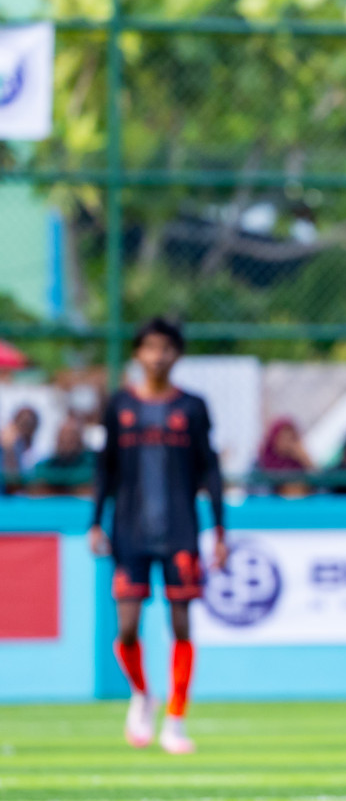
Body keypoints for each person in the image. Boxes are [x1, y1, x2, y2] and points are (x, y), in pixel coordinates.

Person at [89, 317, 227, 755]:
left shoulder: (192, 408)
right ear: (137, 354)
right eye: (149, 348)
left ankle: (177, 718)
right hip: (129, 532)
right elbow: (104, 468)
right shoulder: (119, 406)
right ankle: (142, 695)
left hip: (181, 532)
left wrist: (220, 529)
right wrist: (94, 521)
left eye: (165, 348)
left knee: (181, 623)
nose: (157, 356)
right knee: (127, 627)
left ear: (177, 355)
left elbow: (211, 469)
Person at [31, 414, 96, 495]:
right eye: (63, 435)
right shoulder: (47, 464)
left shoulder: (93, 463)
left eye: (72, 435)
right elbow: (38, 476)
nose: (67, 439)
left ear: (80, 439)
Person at [252, 418, 312, 497]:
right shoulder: (261, 463)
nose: (287, 443)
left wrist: (305, 459)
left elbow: (319, 481)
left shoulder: (298, 462)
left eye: (291, 438)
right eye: (282, 437)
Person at [0, 405, 40, 490]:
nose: (26, 427)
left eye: (30, 423)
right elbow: (11, 481)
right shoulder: (6, 446)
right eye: (23, 423)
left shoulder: (40, 451)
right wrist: (9, 448)